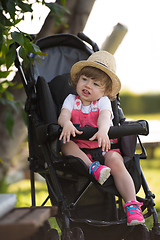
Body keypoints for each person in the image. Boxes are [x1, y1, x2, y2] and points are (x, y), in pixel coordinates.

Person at [58, 51, 145, 226]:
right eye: (84, 79)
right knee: (66, 145)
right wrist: (66, 123)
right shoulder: (70, 99)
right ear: (77, 80)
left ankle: (131, 204)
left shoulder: (103, 102)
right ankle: (93, 168)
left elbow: (105, 118)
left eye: (95, 83)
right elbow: (63, 115)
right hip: (81, 150)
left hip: (103, 147)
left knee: (116, 161)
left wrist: (104, 130)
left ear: (106, 91)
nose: (88, 85)